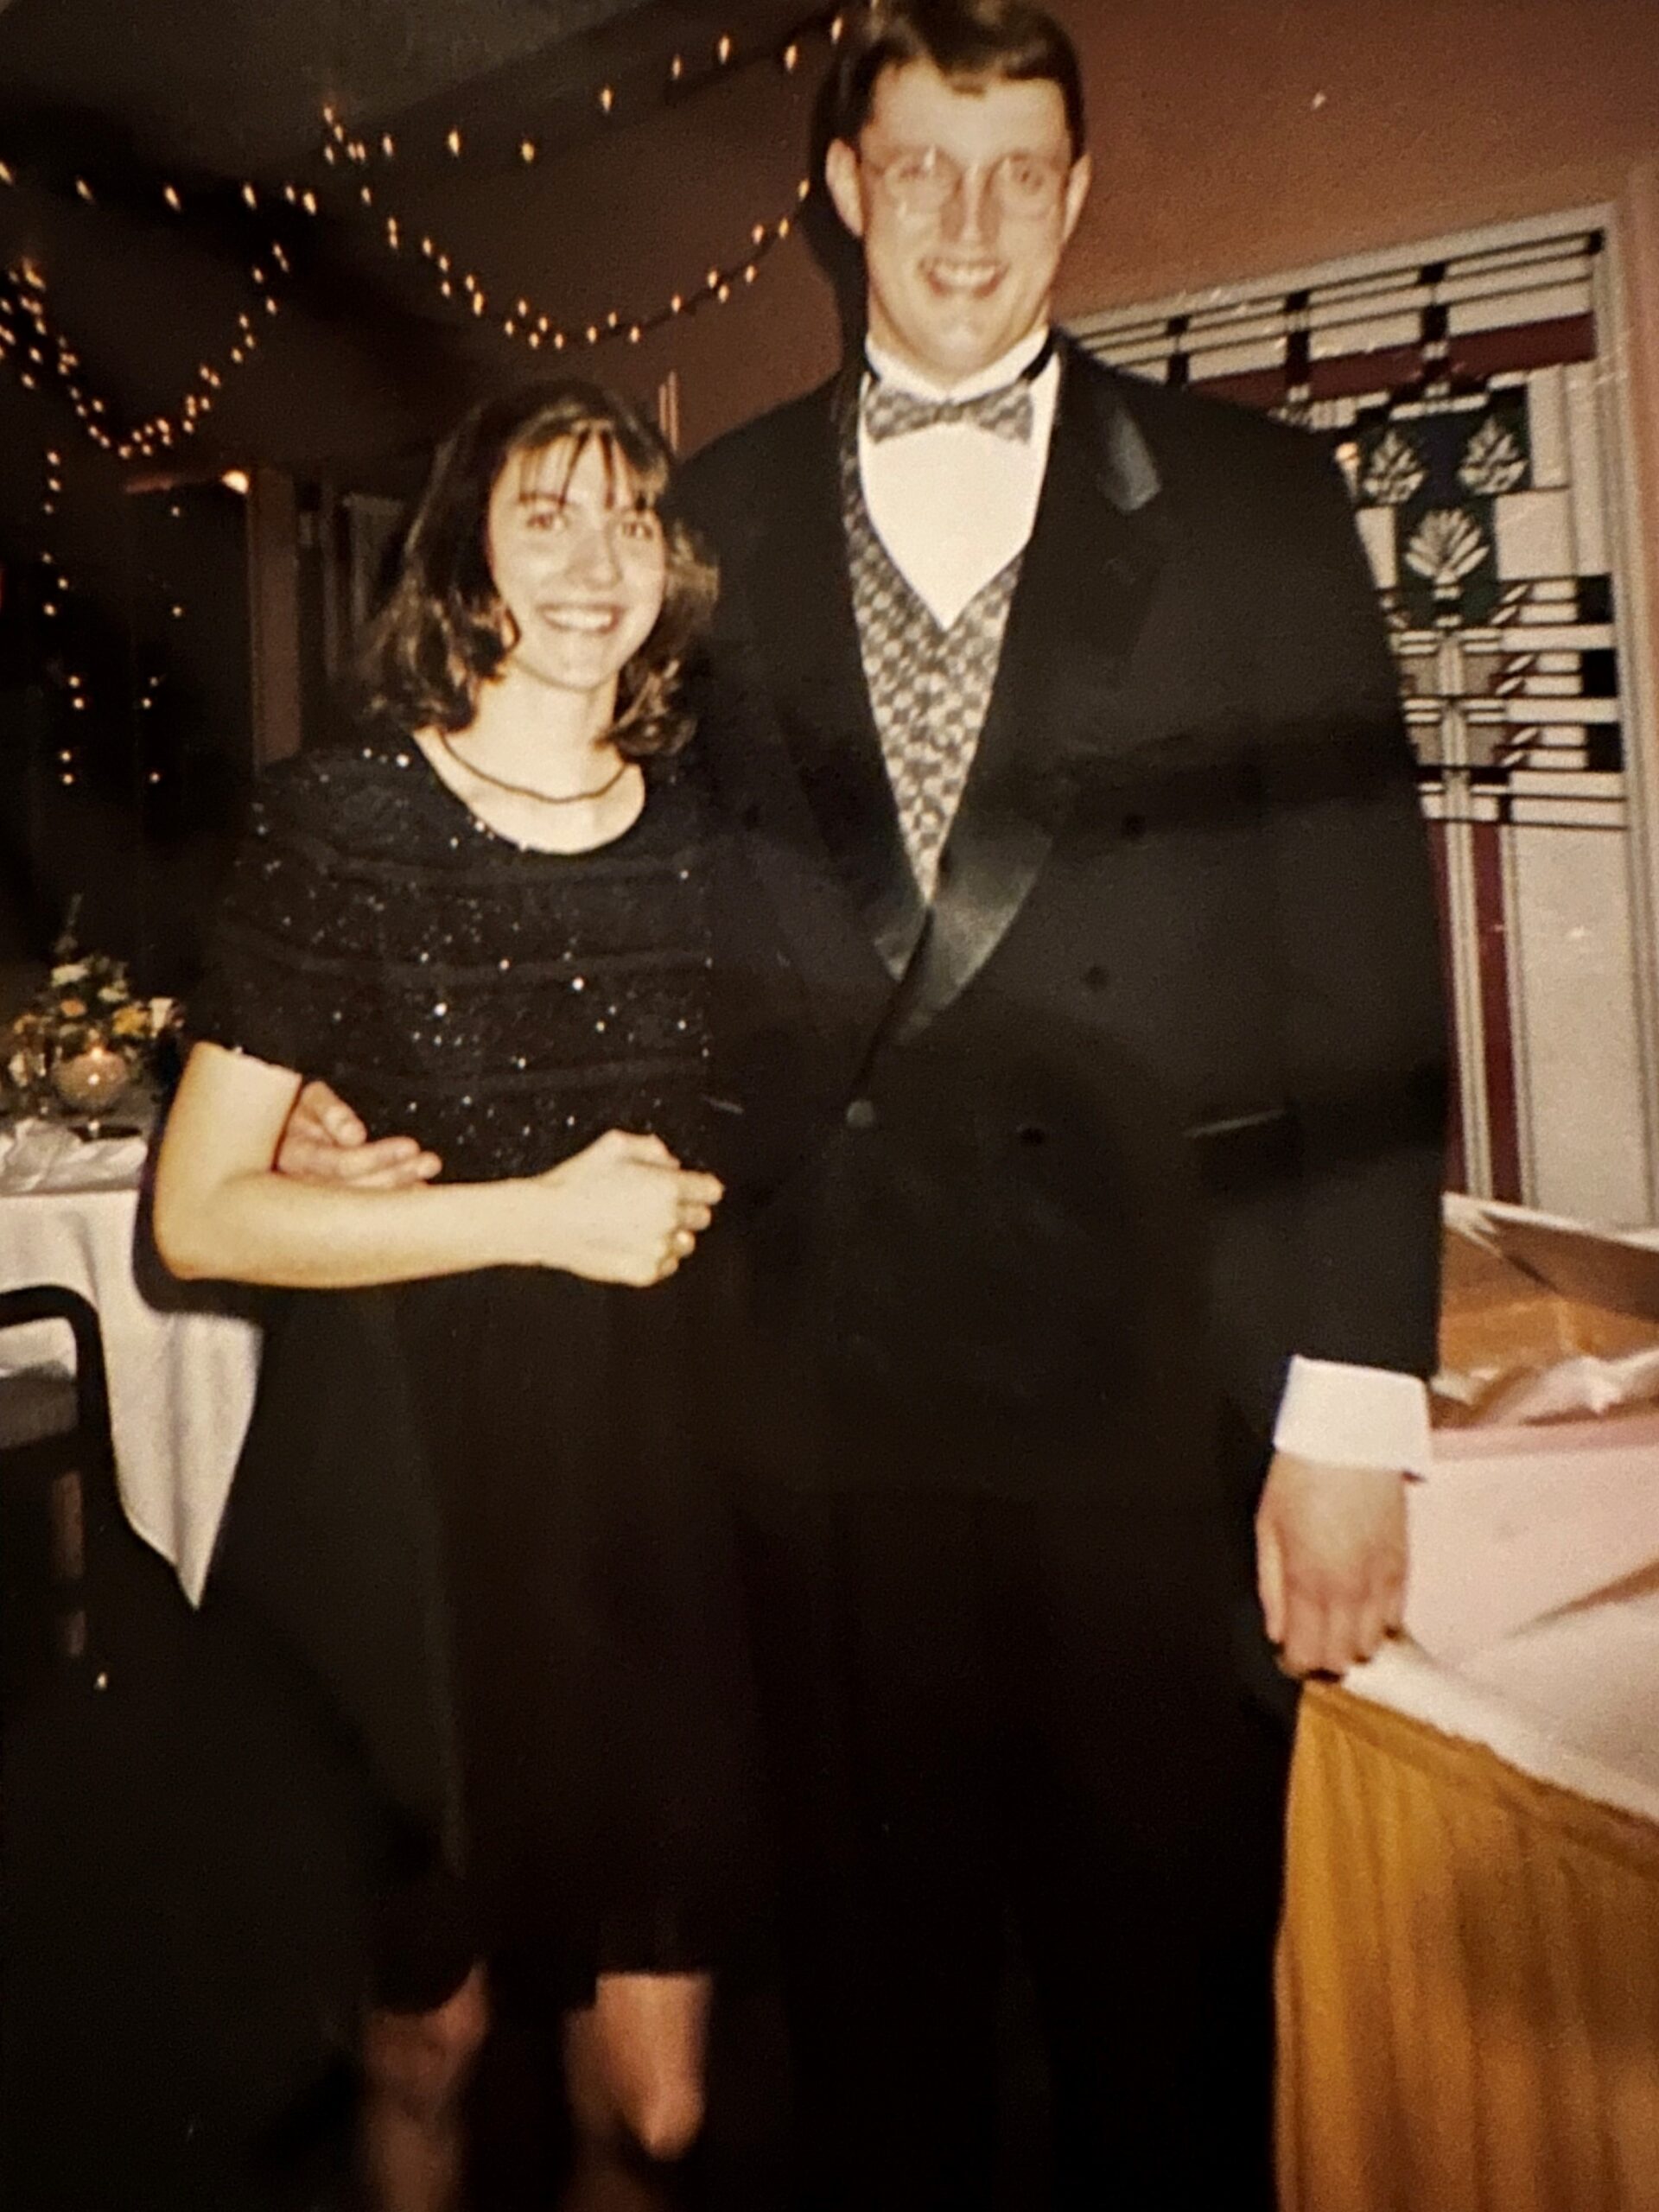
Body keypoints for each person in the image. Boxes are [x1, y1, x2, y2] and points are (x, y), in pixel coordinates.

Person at [281, 3, 1447, 2202]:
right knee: (878, 2027)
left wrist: (1355, 1411)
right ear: (844, 188)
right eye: (922, 168)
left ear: (1081, 190)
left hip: (1157, 1422)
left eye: (1021, 172)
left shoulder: (1257, 506)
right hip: (813, 1426)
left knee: (1165, 2019)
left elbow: (1373, 982)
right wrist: (380, 1106)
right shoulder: (703, 521)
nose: (972, 226)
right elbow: (603, 893)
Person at [153, 381, 761, 2212]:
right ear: (463, 562)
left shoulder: (718, 835)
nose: (593, 560)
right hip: (400, 1490)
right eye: (544, 514)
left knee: (658, 2108)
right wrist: (533, 1216)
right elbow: (199, 1217)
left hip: (649, 1494)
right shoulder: (340, 819)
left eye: (629, 521)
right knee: (431, 2031)